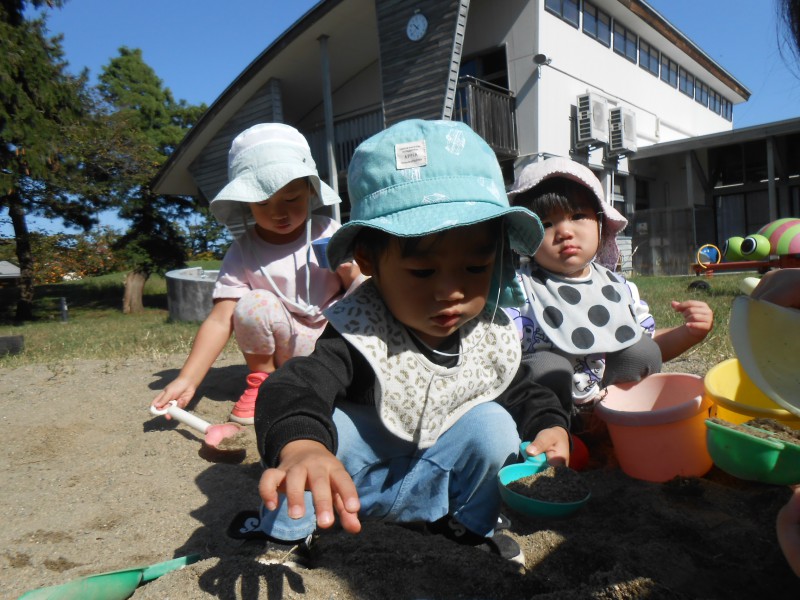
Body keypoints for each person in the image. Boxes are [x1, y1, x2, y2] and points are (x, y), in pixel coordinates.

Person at [229, 119, 572, 566]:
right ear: (368, 259)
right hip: (350, 487)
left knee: (493, 425)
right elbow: (294, 385)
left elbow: (523, 390)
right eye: (423, 272)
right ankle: (289, 535)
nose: (450, 292)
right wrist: (302, 446)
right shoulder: (362, 328)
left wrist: (549, 425)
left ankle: (470, 525)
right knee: (325, 430)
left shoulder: (485, 331)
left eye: (475, 268)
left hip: (435, 481)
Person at [152, 123, 362, 425]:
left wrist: (350, 274)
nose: (279, 212)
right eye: (263, 203)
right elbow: (221, 318)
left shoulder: (327, 231)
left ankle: (350, 377)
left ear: (310, 190)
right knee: (252, 304)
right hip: (285, 347)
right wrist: (188, 379)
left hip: (332, 341)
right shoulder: (244, 250)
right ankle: (265, 382)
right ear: (246, 203)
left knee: (364, 289)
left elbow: (359, 292)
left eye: (291, 198)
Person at [506, 157, 713, 428]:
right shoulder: (519, 291)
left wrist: (689, 332)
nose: (564, 231)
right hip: (547, 413)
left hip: (610, 405)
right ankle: (554, 429)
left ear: (600, 223)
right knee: (545, 366)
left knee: (641, 350)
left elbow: (650, 341)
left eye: (577, 216)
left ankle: (614, 420)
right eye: (545, 224)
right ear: (523, 237)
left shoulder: (618, 288)